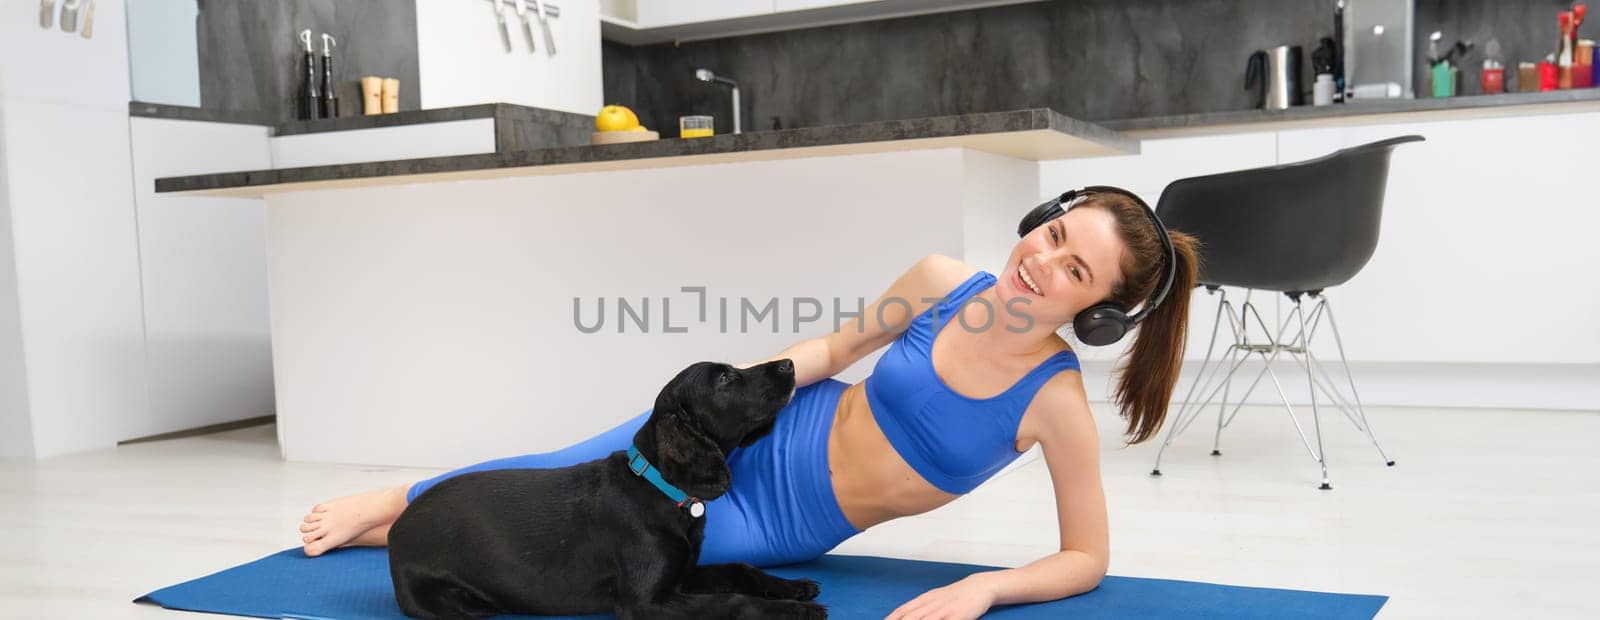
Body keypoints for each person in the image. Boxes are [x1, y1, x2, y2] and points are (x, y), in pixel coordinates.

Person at [297, 186, 1201, 619]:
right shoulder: (939, 281)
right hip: (782, 423)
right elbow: (838, 350)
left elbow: (1088, 556)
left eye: (1074, 269)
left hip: (775, 517)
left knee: (583, 563)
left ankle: (407, 521)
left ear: (1099, 313)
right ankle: (402, 501)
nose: (1041, 263)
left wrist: (984, 589)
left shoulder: (1056, 405)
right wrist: (734, 394)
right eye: (1051, 234)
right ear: (1037, 219)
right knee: (560, 475)